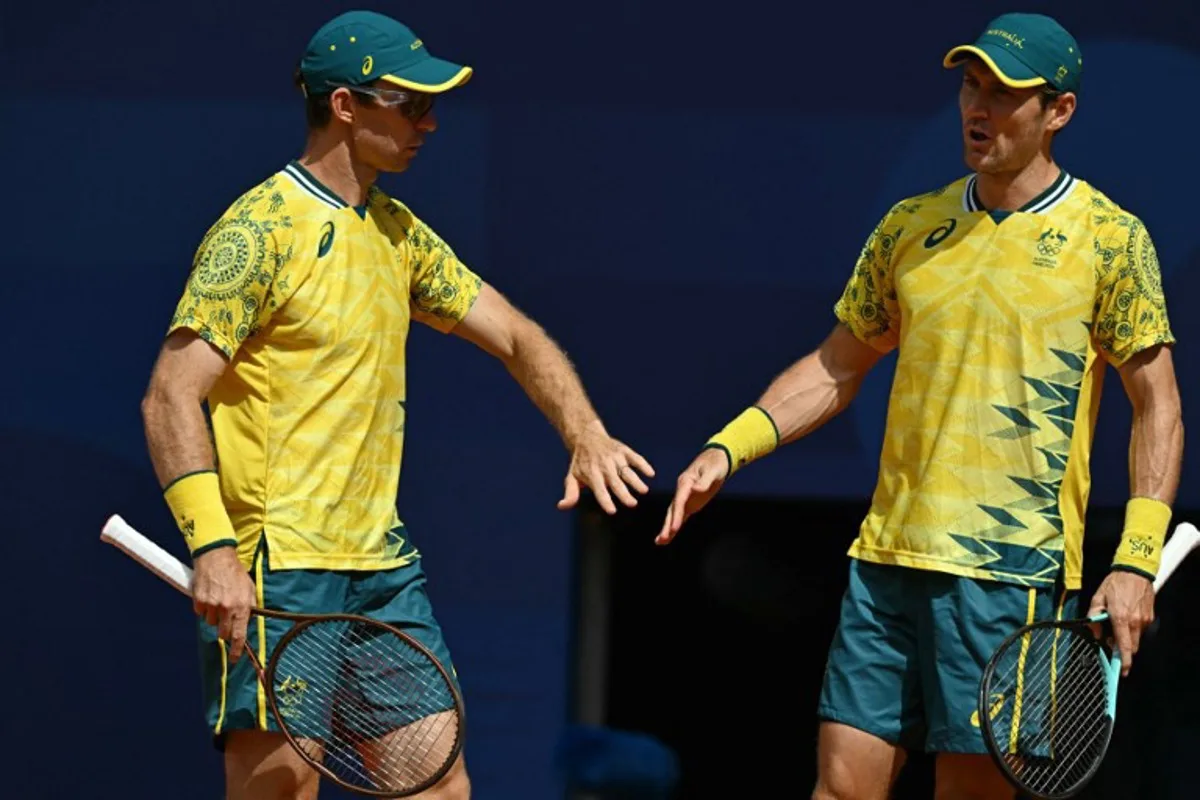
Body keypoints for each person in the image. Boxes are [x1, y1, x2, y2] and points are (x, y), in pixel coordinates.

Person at [657, 12, 1182, 800]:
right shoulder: (910, 225)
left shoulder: (1109, 239)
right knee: (839, 789)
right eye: (973, 85)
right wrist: (729, 447)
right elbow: (838, 367)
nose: (979, 107)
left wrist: (1136, 559)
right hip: (887, 563)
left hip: (1009, 576)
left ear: (1058, 113)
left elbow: (1158, 407)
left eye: (1005, 94)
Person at [140, 10, 654, 800]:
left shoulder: (396, 233)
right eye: (409, 103)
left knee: (442, 791)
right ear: (346, 106)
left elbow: (516, 335)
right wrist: (213, 547)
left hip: (381, 569)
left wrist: (584, 432)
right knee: (280, 791)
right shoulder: (258, 232)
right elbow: (170, 396)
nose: (429, 121)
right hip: (282, 567)